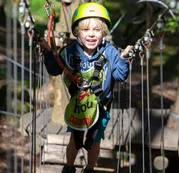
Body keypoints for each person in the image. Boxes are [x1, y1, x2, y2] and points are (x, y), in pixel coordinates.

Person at [40, 2, 133, 173]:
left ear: (103, 32)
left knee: (95, 140)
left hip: (101, 106)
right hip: (78, 106)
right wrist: (47, 53)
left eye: (96, 30)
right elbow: (54, 69)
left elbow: (120, 75)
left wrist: (123, 59)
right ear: (77, 32)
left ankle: (89, 168)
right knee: (75, 139)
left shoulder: (110, 52)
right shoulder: (69, 52)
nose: (91, 34)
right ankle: (69, 167)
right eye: (86, 30)